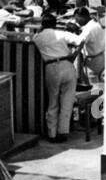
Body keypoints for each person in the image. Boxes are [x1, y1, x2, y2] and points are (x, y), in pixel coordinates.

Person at [32, 12, 79, 143]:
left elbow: (34, 37)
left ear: (42, 24)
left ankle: (51, 133)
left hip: (51, 67)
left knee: (53, 101)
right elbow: (81, 40)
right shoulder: (61, 34)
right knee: (67, 101)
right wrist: (74, 54)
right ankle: (63, 132)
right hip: (67, 64)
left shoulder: (38, 37)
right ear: (54, 24)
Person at [62, 5, 106, 85]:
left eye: (77, 19)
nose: (77, 21)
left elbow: (79, 41)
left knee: (95, 88)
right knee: (101, 83)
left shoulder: (88, 29)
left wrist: (66, 34)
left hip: (93, 62)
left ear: (82, 17)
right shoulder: (95, 24)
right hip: (101, 58)